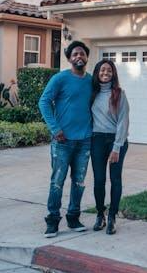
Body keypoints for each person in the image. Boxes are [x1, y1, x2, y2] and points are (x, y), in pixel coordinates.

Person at [39, 40, 93, 238]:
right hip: (62, 141)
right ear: (70, 58)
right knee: (57, 181)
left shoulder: (91, 81)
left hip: (85, 140)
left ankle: (73, 217)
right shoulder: (60, 79)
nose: (79, 56)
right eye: (75, 54)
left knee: (79, 182)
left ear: (87, 57)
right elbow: (44, 102)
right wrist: (55, 128)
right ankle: (52, 221)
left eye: (82, 54)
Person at [90, 59, 130, 235]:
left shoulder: (119, 94)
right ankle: (101, 214)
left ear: (113, 74)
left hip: (116, 140)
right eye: (102, 70)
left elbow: (123, 121)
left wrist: (116, 148)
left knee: (115, 179)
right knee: (99, 180)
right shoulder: (92, 92)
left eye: (109, 70)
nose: (105, 73)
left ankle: (112, 217)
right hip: (97, 139)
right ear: (97, 72)